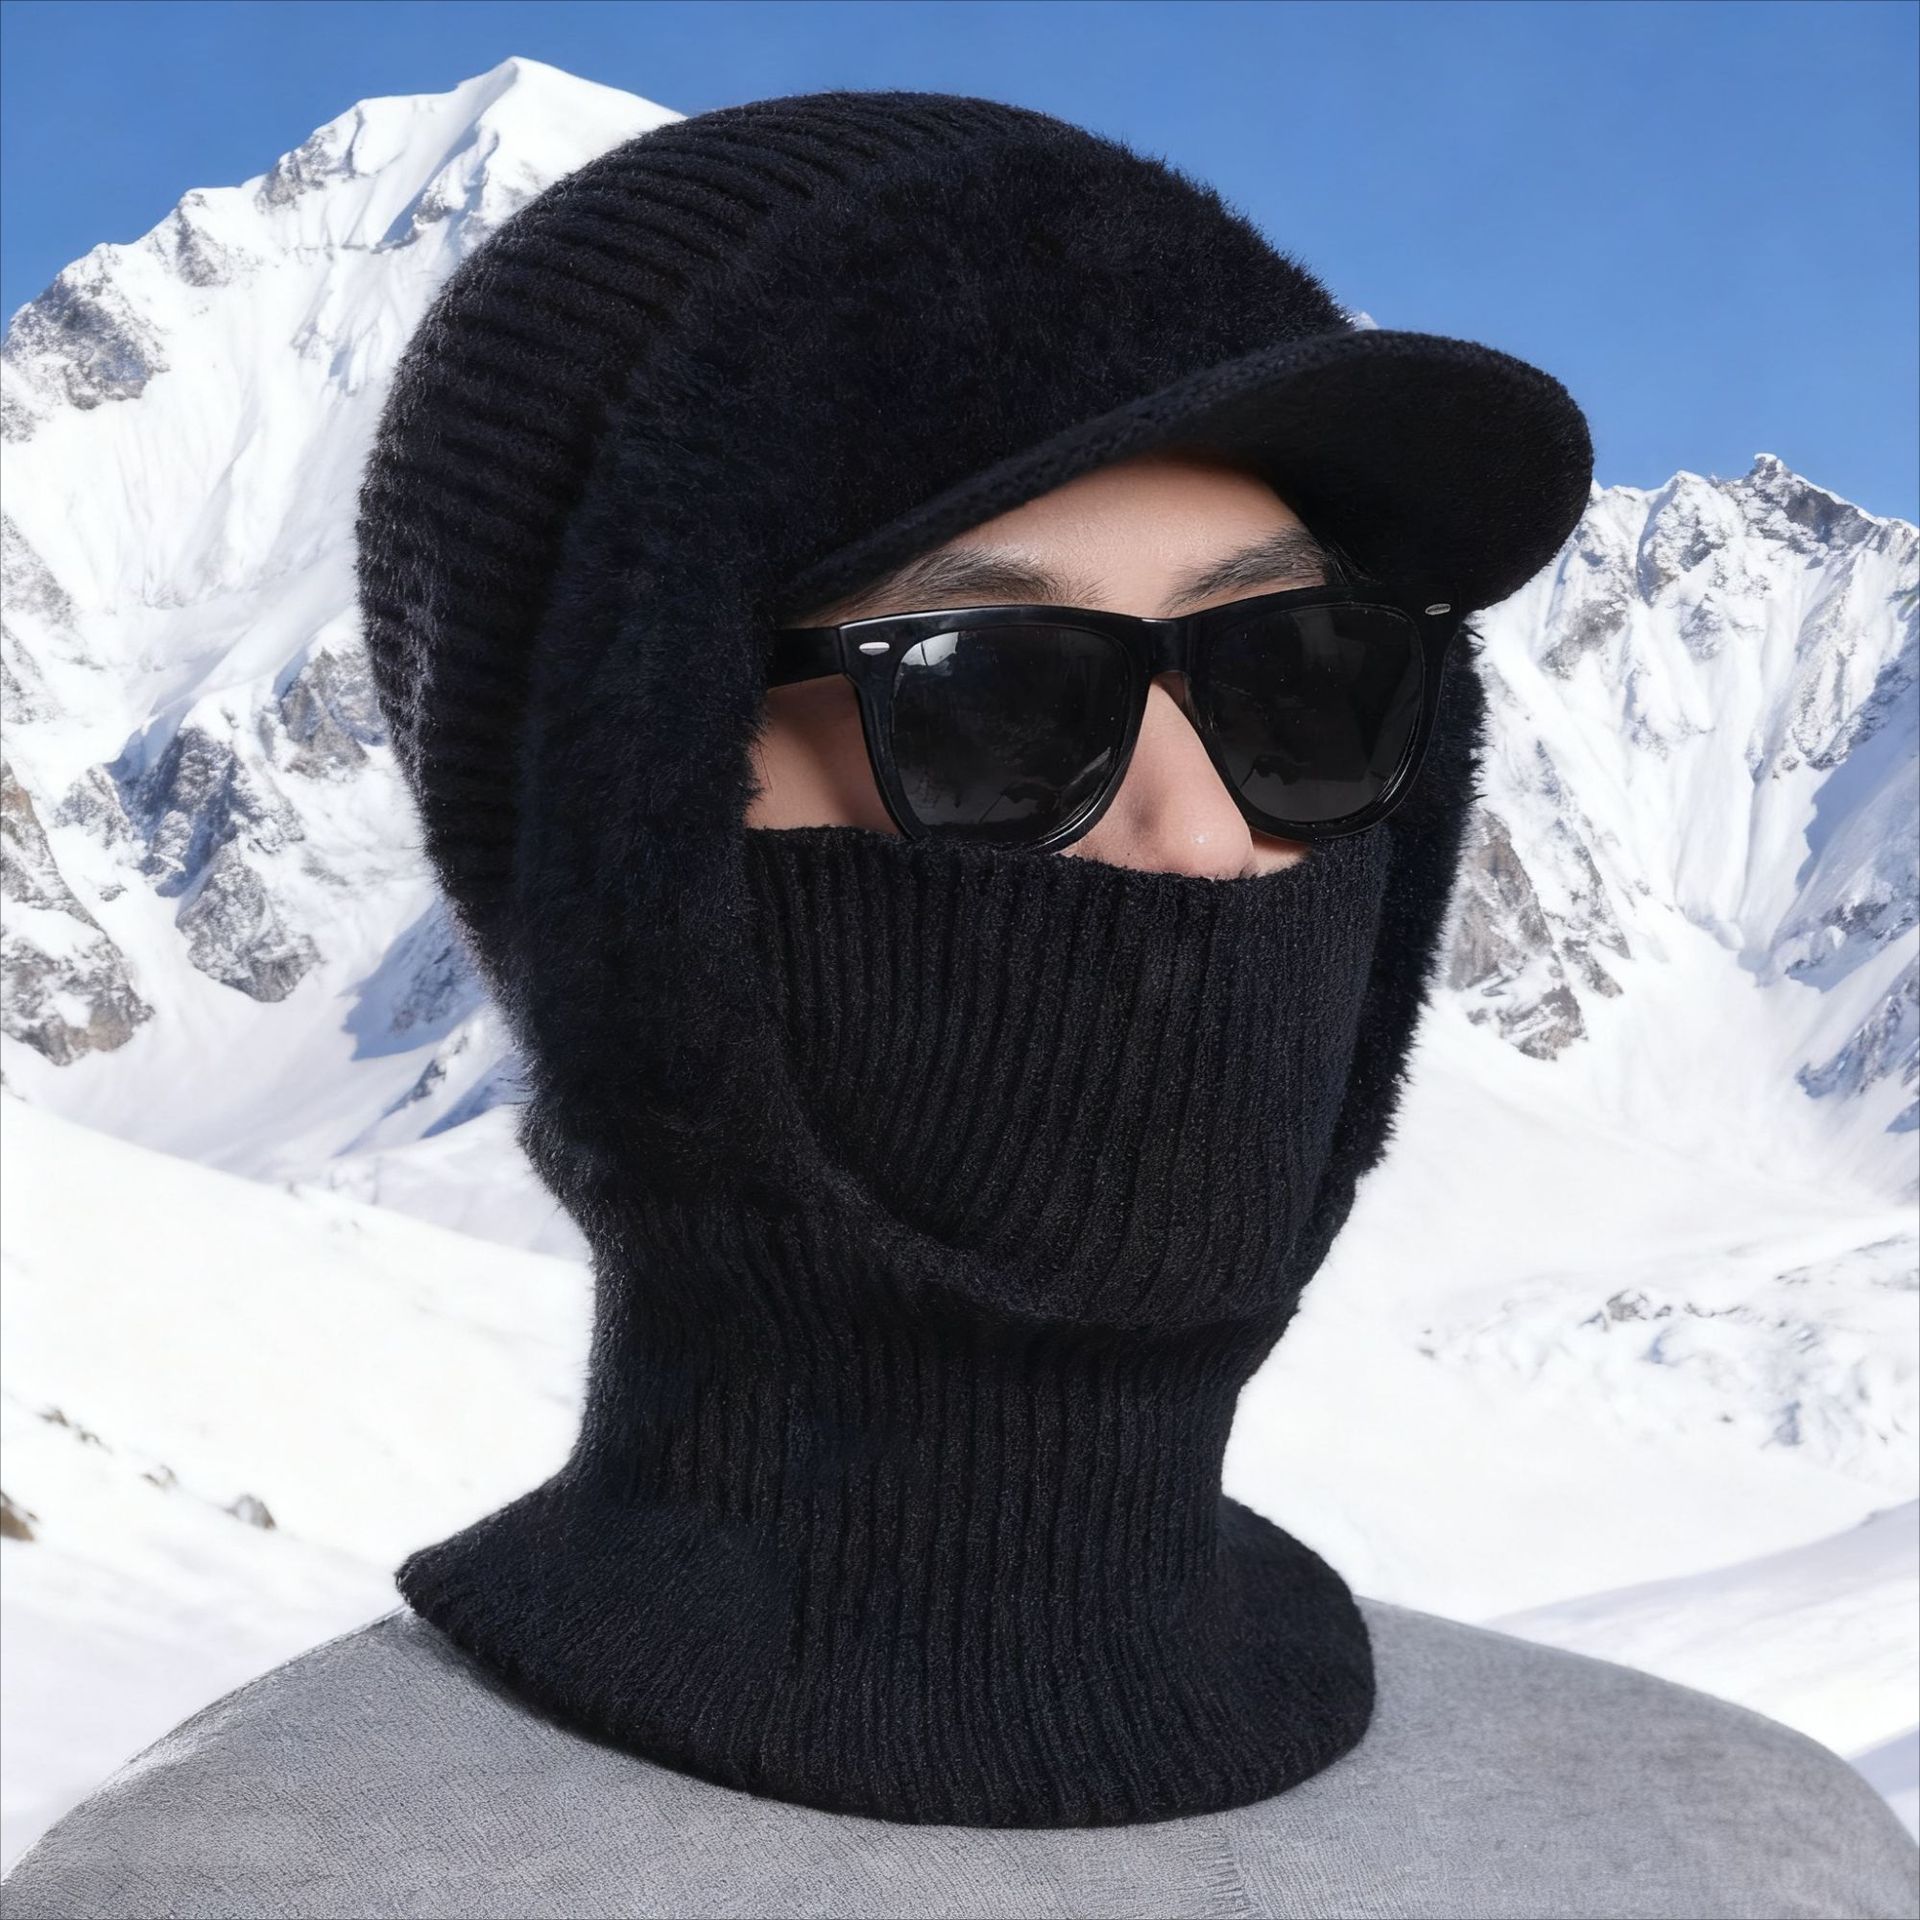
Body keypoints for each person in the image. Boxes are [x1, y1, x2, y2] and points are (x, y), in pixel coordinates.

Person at [5, 88, 1915, 1920]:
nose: (1203, 839)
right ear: (622, 833)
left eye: (1298, 681)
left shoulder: (1757, 1859)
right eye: (994, 699)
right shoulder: (218, 1898)